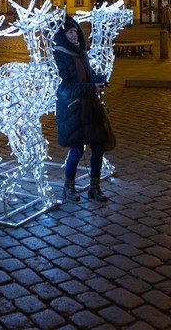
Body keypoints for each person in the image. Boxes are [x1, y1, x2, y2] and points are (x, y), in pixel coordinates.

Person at [53, 16, 110, 203]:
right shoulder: (59, 56)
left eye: (75, 31)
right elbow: (65, 88)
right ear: (62, 35)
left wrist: (98, 80)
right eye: (69, 32)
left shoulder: (81, 53)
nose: (74, 35)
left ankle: (95, 186)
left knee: (98, 146)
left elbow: (87, 76)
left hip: (90, 108)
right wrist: (91, 88)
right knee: (77, 149)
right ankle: (68, 186)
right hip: (72, 111)